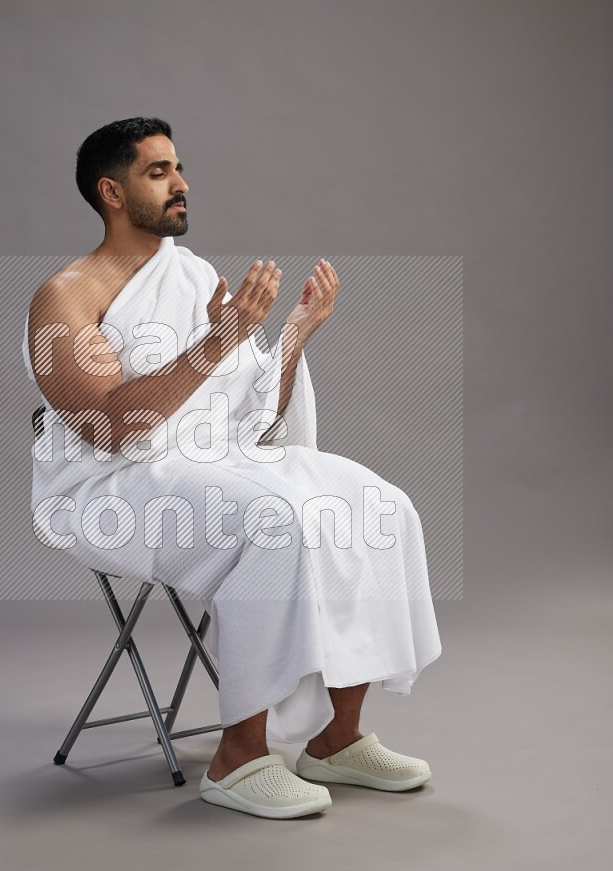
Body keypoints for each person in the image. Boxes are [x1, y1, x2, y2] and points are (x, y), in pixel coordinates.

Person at [22, 116, 442, 819]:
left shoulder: (189, 278)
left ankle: (337, 739)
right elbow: (114, 427)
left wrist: (293, 340)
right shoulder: (64, 298)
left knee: (377, 503)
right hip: (114, 487)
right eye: (158, 172)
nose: (180, 183)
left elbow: (250, 422)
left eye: (178, 167)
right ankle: (238, 756)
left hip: (214, 461)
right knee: (276, 521)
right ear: (112, 191)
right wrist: (218, 341)